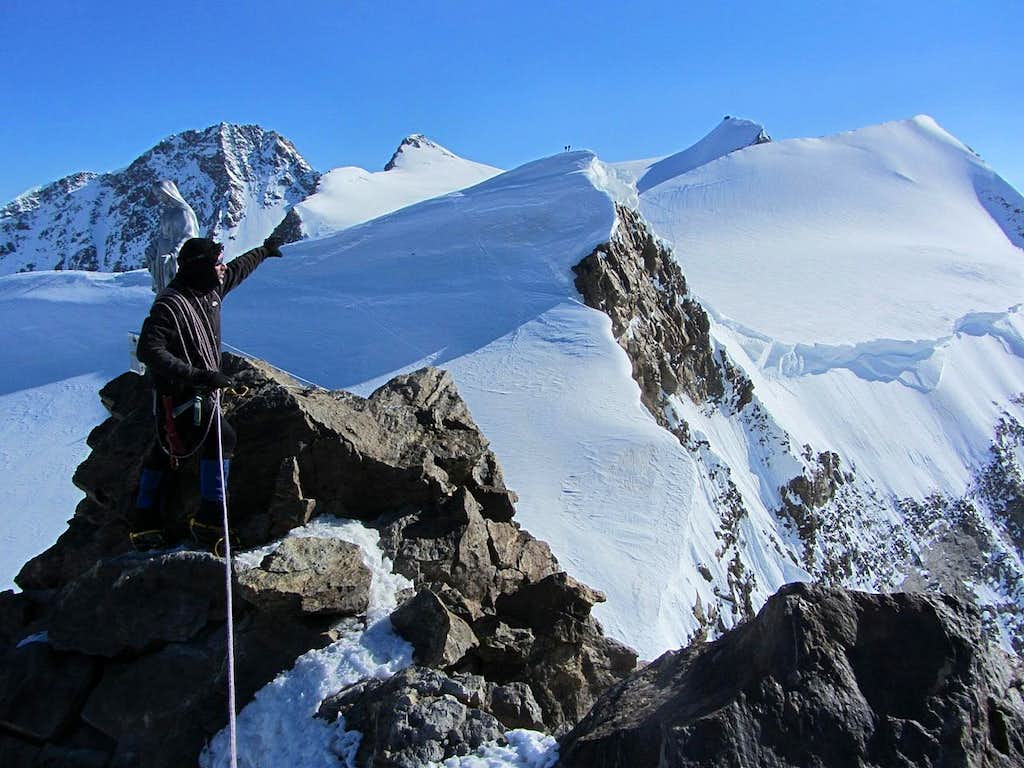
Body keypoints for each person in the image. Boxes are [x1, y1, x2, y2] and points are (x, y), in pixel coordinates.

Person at [130, 234, 283, 551]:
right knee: (219, 438)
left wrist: (264, 251)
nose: (223, 268)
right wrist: (197, 375)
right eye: (217, 263)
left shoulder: (207, 290)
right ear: (201, 268)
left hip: (192, 391)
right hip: (181, 393)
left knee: (165, 449)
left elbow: (238, 269)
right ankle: (210, 519)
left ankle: (144, 520)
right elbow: (149, 349)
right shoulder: (170, 305)